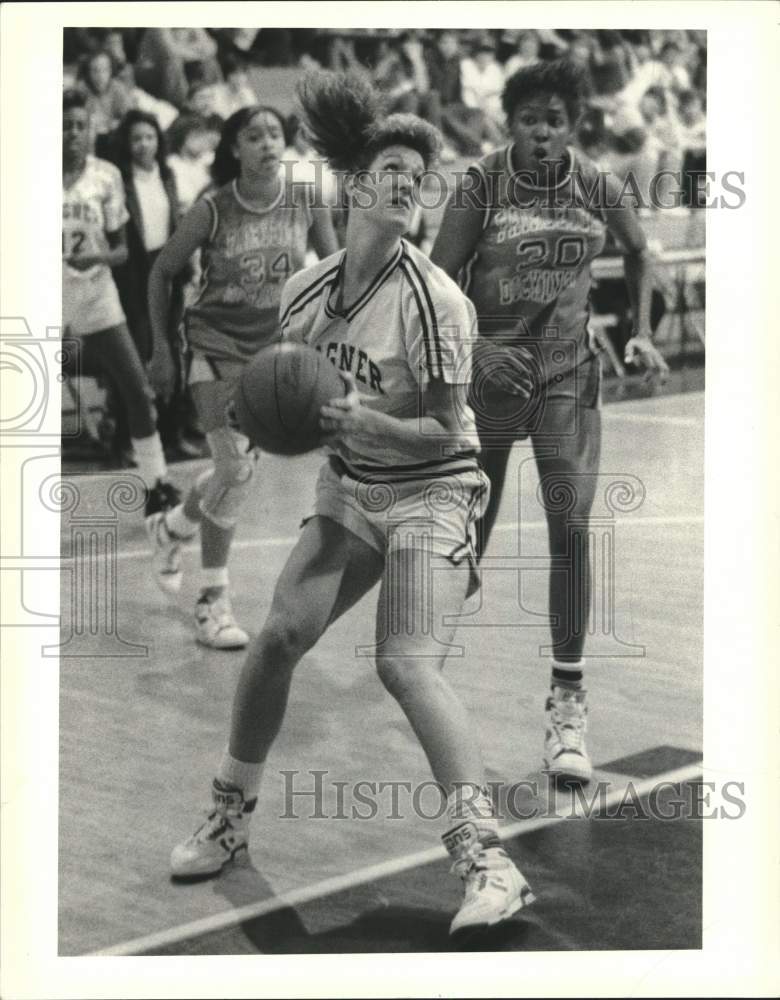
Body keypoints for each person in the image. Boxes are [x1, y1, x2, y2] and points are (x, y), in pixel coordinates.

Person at [168, 69, 534, 938]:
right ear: (357, 186)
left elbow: (450, 427)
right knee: (278, 637)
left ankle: (489, 859)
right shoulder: (304, 291)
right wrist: (276, 420)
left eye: (421, 174)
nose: (410, 184)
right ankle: (229, 817)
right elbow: (285, 391)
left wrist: (364, 417)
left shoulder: (435, 298)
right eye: (394, 170)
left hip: (437, 490)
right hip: (354, 488)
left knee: (403, 660)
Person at [431, 60, 669, 784]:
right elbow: (439, 283)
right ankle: (423, 677)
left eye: (555, 120)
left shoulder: (596, 183)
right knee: (465, 535)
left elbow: (638, 253)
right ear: (511, 123)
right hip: (491, 374)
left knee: (570, 524)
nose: (542, 130)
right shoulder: (481, 186)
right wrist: (445, 374)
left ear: (573, 126)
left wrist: (642, 327)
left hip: (566, 372)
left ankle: (568, 704)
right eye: (530, 118)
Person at [146, 105, 339, 649]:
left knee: (235, 472)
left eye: (274, 134)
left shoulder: (305, 198)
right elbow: (163, 271)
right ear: (234, 148)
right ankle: (213, 602)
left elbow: (335, 273)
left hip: (274, 352)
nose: (266, 144)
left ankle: (172, 528)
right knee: (236, 470)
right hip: (213, 343)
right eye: (253, 136)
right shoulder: (213, 208)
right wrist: (161, 347)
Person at [61, 90, 180, 521]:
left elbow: (122, 251)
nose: (73, 133)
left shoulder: (107, 176)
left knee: (137, 389)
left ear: (91, 130)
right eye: (65, 125)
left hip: (95, 292)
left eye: (80, 125)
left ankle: (157, 483)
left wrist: (95, 257)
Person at [111, 110, 200, 462]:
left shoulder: (167, 174)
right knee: (137, 355)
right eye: (136, 138)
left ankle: (172, 434)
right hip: (136, 272)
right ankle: (126, 439)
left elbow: (176, 222)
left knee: (174, 349)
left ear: (158, 141)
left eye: (149, 137)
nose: (143, 144)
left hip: (169, 265)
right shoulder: (120, 179)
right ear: (127, 143)